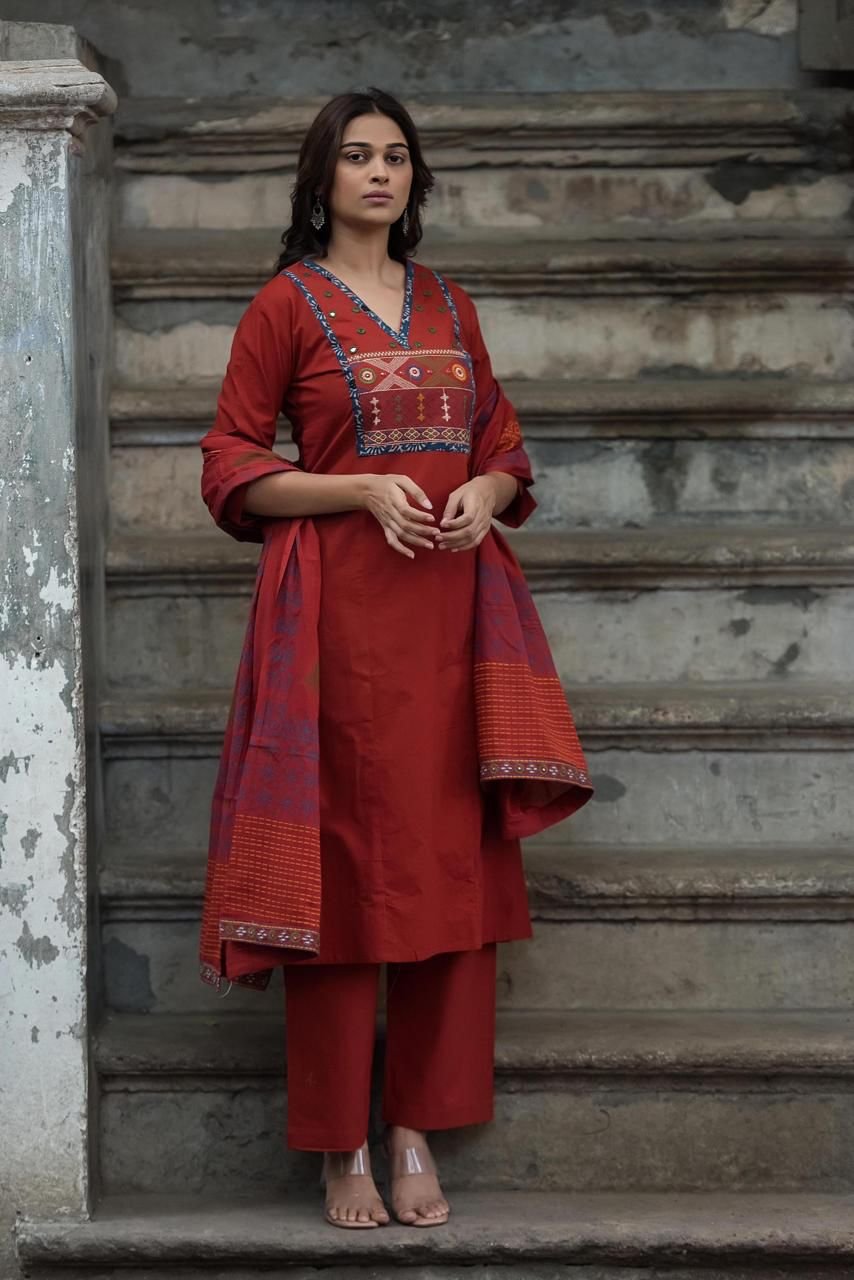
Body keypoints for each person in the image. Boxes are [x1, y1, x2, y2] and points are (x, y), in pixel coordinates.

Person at [196, 87, 593, 1231]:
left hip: (453, 619)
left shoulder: (448, 303)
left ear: (414, 178)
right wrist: (358, 488)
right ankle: (339, 1143)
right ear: (320, 177)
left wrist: (485, 490)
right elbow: (229, 463)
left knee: (447, 872)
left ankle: (415, 1123)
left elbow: (502, 445)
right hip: (332, 623)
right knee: (338, 873)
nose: (379, 172)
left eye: (397, 156)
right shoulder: (283, 305)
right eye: (357, 155)